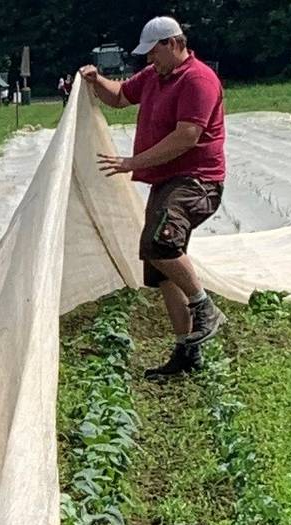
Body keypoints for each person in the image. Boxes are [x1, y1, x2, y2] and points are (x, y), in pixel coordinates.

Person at [82, 15, 229, 377]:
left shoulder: (198, 80)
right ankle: (187, 354)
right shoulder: (155, 77)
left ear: (175, 43)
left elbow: (187, 136)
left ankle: (204, 307)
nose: (150, 60)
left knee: (161, 243)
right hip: (168, 181)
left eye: (155, 52)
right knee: (158, 266)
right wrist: (95, 79)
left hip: (197, 181)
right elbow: (119, 97)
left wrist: (133, 162)